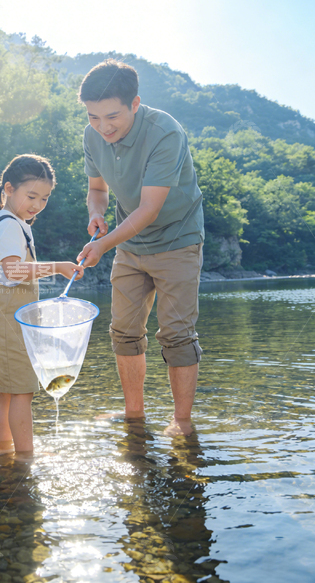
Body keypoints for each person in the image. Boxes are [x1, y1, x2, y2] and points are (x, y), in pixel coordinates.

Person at [75, 59, 205, 436]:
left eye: (111, 116)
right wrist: (97, 215)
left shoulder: (165, 132)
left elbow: (149, 209)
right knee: (124, 331)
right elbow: (97, 190)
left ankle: (181, 422)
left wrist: (102, 246)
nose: (103, 126)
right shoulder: (92, 135)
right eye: (94, 117)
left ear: (135, 103)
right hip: (129, 244)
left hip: (177, 240)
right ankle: (134, 414)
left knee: (177, 333)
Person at [0, 154, 84, 457]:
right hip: (6, 321)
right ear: (8, 188)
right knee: (22, 390)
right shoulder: (8, 225)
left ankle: (4, 450)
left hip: (4, 319)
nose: (37, 205)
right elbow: (12, 271)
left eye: (44, 199)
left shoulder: (14, 223)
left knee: (9, 390)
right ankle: (25, 459)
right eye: (31, 196)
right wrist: (58, 266)